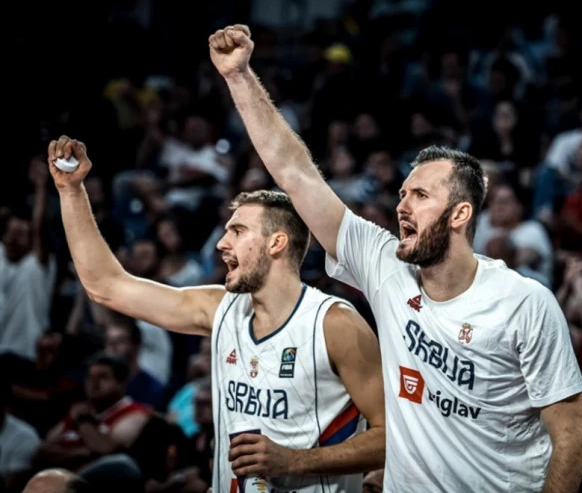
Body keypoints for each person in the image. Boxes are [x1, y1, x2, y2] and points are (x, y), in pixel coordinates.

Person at [210, 23, 582, 492]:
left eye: (420, 196)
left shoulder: (524, 303)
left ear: (460, 214)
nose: (402, 206)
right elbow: (295, 173)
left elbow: (572, 433)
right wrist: (239, 77)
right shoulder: (385, 266)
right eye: (402, 194)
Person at [47, 136, 385, 492]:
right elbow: (105, 286)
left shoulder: (334, 323)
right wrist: (71, 191)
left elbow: (390, 435)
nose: (223, 243)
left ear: (276, 243)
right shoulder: (219, 308)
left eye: (238, 231)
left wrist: (294, 461)